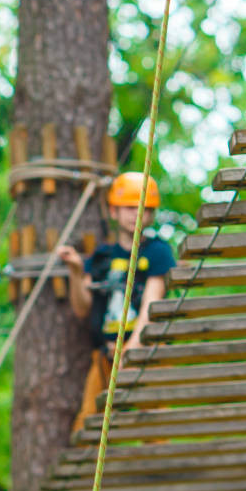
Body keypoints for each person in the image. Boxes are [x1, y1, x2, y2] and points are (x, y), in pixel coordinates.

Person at [53, 171, 178, 432]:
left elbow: (150, 307)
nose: (136, 214)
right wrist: (76, 271)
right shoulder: (101, 258)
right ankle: (87, 471)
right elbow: (82, 308)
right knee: (88, 421)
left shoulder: (157, 252)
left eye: (143, 209)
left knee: (155, 425)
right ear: (113, 211)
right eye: (129, 208)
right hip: (107, 356)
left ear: (151, 215)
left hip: (147, 352)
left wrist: (130, 349)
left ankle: (155, 470)